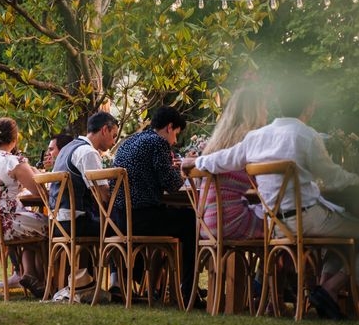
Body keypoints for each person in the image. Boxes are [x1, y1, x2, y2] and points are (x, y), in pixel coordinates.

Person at [183, 79, 359, 320]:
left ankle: (324, 292)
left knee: (343, 238)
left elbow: (223, 159)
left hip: (275, 224)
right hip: (308, 220)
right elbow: (337, 179)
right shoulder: (307, 135)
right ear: (310, 107)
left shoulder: (256, 137)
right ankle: (330, 288)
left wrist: (196, 162)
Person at [113, 106, 197, 303]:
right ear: (169, 127)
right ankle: (188, 292)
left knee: (178, 216)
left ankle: (171, 288)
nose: (175, 141)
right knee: (191, 219)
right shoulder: (158, 143)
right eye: (176, 134)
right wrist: (185, 169)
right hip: (143, 219)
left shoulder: (130, 141)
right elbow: (173, 185)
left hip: (120, 218)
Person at [0, 117, 48, 297]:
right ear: (15, 139)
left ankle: (28, 274)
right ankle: (47, 281)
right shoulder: (13, 161)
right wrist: (34, 171)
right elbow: (38, 190)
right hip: (2, 222)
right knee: (51, 226)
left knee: (31, 221)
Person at [200, 87, 267, 240]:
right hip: (229, 223)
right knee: (284, 225)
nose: (267, 113)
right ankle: (293, 264)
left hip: (206, 224)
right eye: (264, 108)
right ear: (256, 112)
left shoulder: (217, 142)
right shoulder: (249, 142)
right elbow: (267, 183)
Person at [49, 112, 118, 237]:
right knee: (125, 227)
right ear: (104, 130)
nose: (114, 142)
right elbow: (103, 195)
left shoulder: (67, 148)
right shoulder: (88, 152)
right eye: (113, 136)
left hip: (56, 223)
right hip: (77, 224)